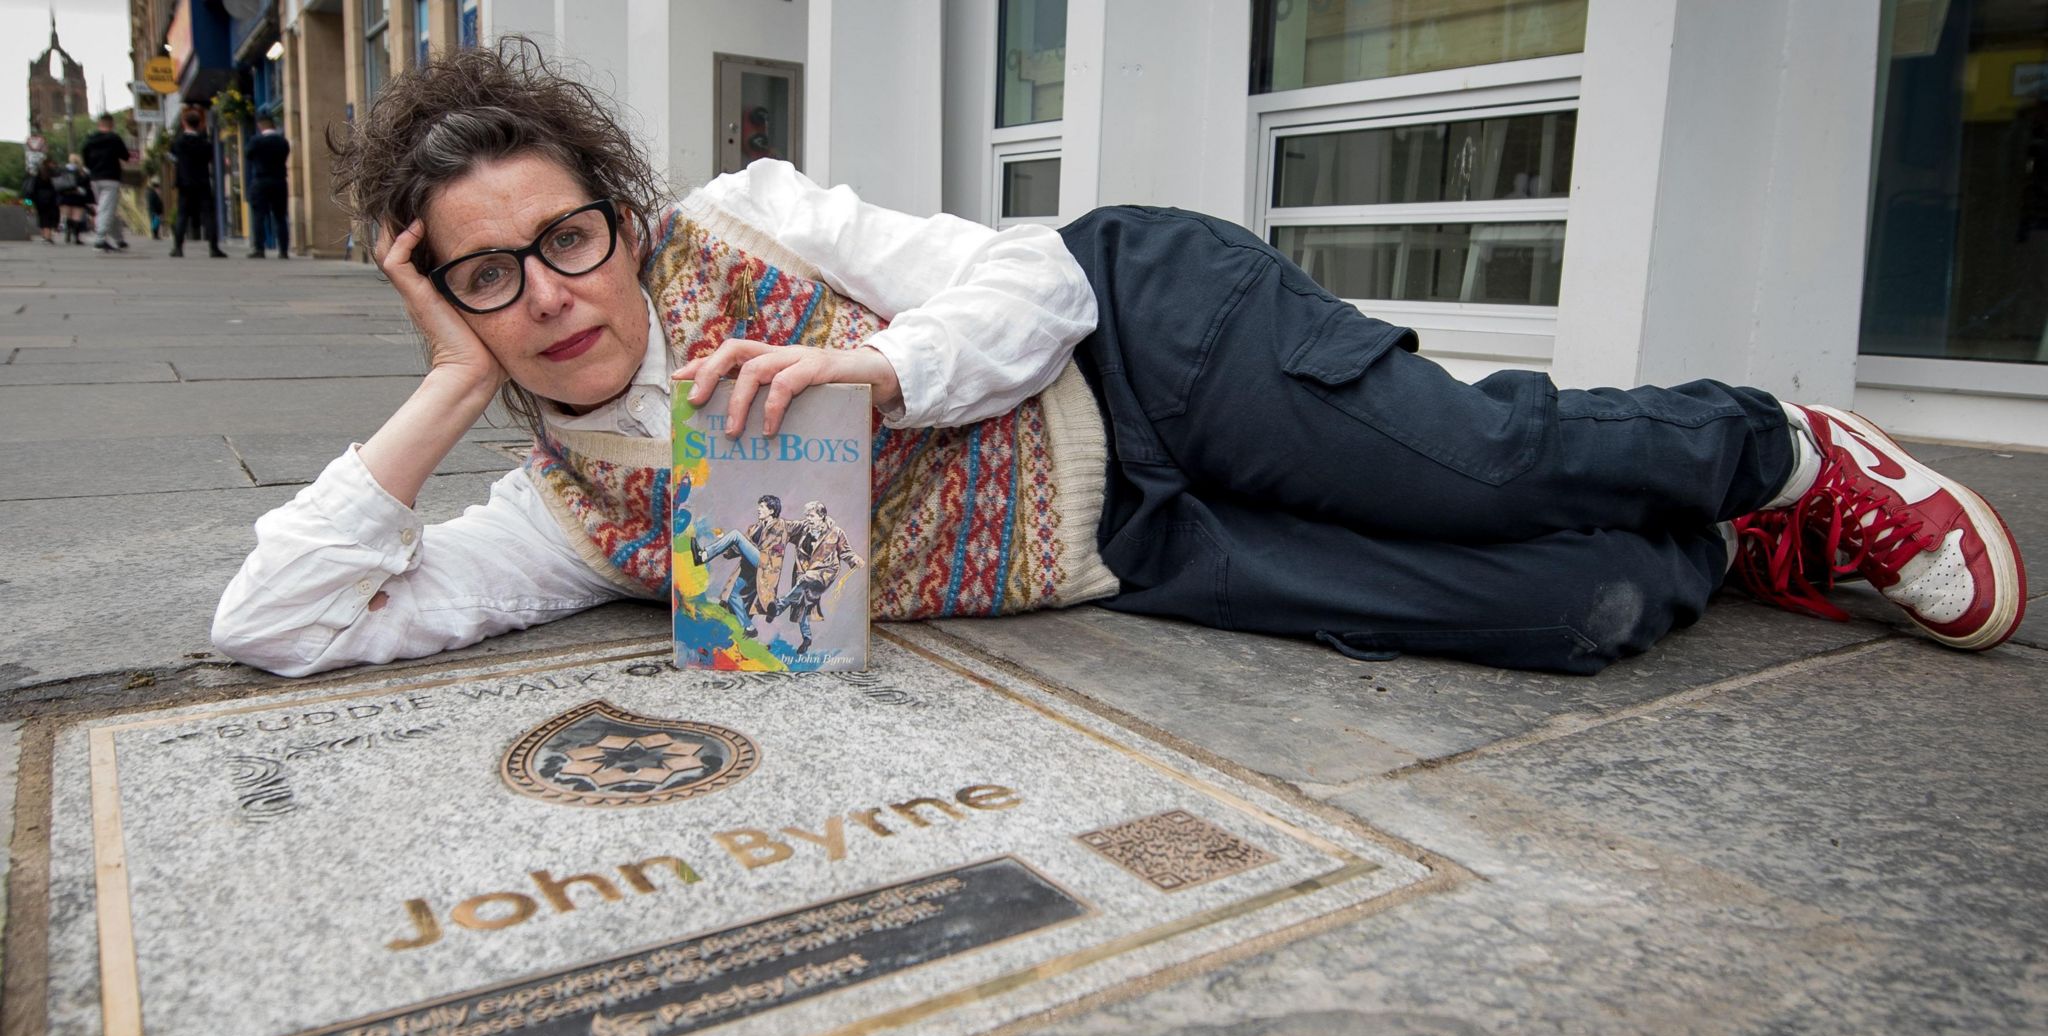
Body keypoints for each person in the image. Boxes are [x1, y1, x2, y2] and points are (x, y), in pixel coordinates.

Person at [212, 42, 2027, 679]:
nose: (546, 291)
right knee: (1574, 614)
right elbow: (280, 624)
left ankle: (1772, 449)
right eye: (484, 278)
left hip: (1143, 341)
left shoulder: (751, 221)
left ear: (615, 208)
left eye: (564, 234)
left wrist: (875, 378)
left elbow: (1023, 285)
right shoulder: (569, 512)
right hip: (1115, 541)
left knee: (1466, 466)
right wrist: (447, 391)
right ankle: (1720, 543)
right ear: (443, 294)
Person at [692, 496, 796, 638]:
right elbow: (737, 548)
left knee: (735, 534)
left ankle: (703, 555)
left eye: (762, 507)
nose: (758, 509)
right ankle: (749, 627)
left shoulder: (781, 525)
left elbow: (775, 547)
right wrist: (723, 542)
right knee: (734, 594)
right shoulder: (754, 528)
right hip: (752, 568)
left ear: (771, 510)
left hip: (765, 564)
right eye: (759, 506)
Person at [767, 502, 863, 654]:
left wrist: (854, 559)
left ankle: (780, 605)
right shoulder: (804, 528)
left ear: (822, 516)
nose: (808, 519)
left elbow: (846, 552)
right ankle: (807, 638)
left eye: (811, 516)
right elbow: (786, 526)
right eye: (807, 515)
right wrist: (770, 518)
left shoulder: (836, 532)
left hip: (825, 572)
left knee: (807, 579)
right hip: (803, 572)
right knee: (801, 605)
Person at [170, 105, 226, 258]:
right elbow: (210, 158)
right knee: (208, 215)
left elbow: (173, 155)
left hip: (185, 183)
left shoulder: (178, 143)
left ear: (184, 124)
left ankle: (178, 248)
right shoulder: (205, 144)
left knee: (182, 215)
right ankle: (214, 248)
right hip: (202, 182)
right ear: (199, 124)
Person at [81, 113, 130, 252]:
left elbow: (85, 158)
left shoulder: (89, 140)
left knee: (108, 208)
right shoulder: (114, 138)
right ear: (112, 125)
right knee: (106, 208)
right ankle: (100, 239)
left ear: (99, 124)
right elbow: (125, 156)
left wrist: (92, 167)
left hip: (95, 178)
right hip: (111, 177)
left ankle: (119, 239)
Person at [244, 115, 292, 258]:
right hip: (279, 181)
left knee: (259, 216)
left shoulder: (256, 141)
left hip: (261, 180)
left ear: (260, 126)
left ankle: (259, 249)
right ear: (273, 126)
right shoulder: (282, 142)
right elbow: (285, 154)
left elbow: (248, 155)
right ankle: (283, 250)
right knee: (280, 216)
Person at [56, 154, 93, 244]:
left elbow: (58, 182)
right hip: (78, 196)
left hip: (65, 195)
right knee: (76, 217)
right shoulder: (83, 171)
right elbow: (88, 184)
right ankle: (76, 237)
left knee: (67, 216)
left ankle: (68, 231)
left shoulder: (63, 170)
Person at [25, 158, 61, 244]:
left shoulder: (37, 173)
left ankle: (44, 235)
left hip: (39, 198)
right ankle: (48, 236)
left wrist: (29, 201)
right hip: (52, 197)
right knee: (50, 217)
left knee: (42, 216)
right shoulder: (54, 173)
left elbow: (31, 188)